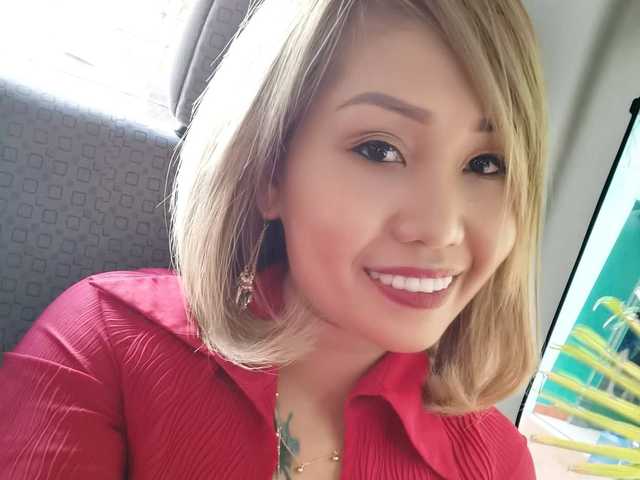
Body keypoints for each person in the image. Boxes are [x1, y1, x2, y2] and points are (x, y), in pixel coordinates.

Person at [0, 0, 547, 478]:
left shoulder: (498, 463)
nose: (441, 228)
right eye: (380, 150)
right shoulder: (106, 341)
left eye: (486, 164)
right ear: (270, 172)